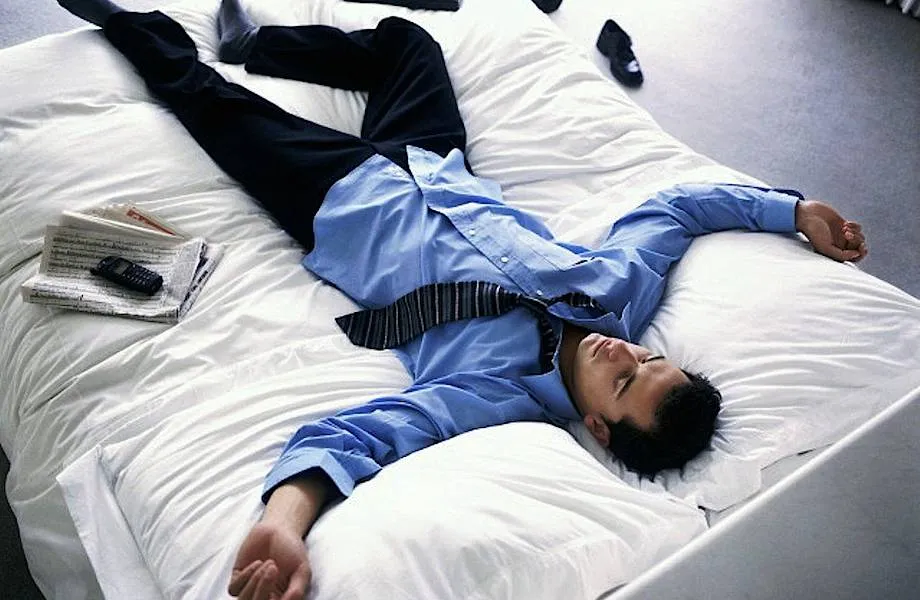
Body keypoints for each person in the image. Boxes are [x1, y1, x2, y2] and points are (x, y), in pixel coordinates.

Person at [59, 0, 867, 598]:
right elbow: (678, 210)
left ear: (595, 425)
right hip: (436, 166)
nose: (623, 350)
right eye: (648, 356)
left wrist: (282, 521)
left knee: (199, 96)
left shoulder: (488, 394)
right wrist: (792, 211)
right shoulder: (615, 294)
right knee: (409, 43)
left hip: (336, 200)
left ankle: (130, 22)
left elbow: (359, 434)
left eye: (624, 380)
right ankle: (258, 44)